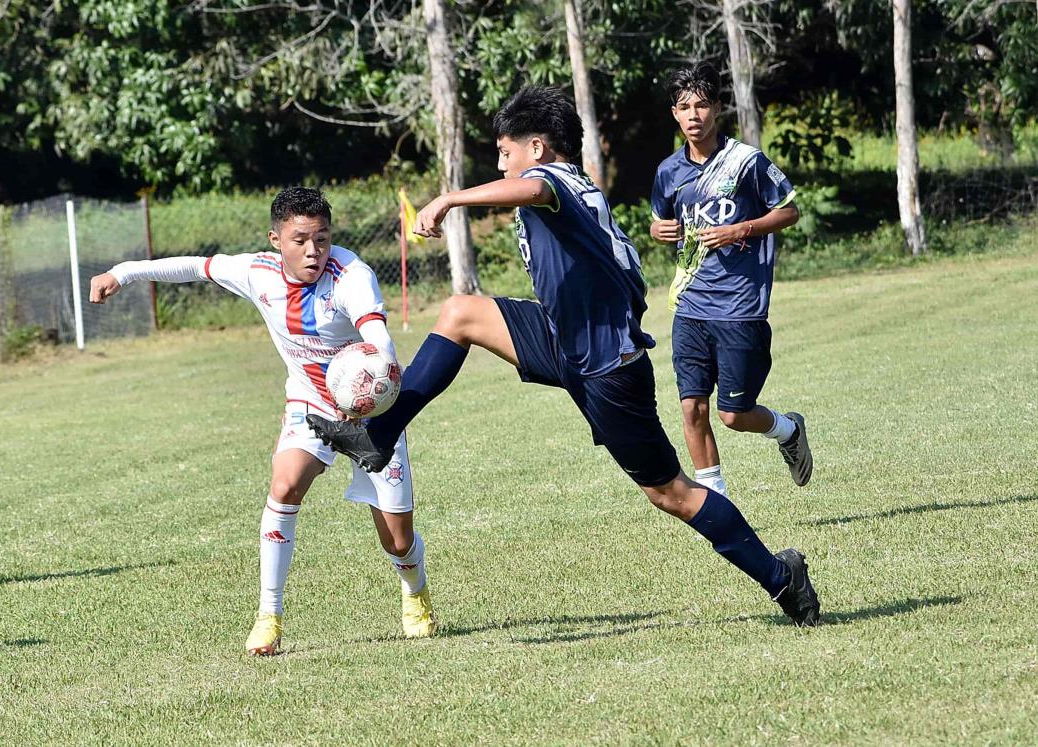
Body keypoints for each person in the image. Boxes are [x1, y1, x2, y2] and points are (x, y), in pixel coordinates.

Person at [310, 86, 820, 626]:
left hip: (607, 368)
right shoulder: (564, 184)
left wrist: (449, 199)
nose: (501, 163)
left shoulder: (554, 181)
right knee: (459, 313)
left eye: (505, 152)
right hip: (564, 339)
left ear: (536, 148)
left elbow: (532, 191)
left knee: (673, 494)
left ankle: (781, 578)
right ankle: (378, 436)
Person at [89, 186, 437, 655]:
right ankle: (268, 616)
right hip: (310, 405)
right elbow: (195, 266)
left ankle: (414, 591)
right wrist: (122, 272)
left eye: (322, 238)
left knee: (396, 540)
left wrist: (369, 381)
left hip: (374, 415)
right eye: (300, 240)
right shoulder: (257, 272)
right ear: (276, 240)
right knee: (284, 485)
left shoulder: (352, 275)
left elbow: (381, 343)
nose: (314, 251)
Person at [649, 63, 811, 499]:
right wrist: (657, 230)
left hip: (739, 306)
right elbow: (659, 221)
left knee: (733, 415)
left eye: (702, 105)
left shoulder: (745, 162)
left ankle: (788, 429)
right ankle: (715, 504)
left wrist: (741, 229)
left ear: (718, 109)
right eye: (684, 107)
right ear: (674, 115)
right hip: (690, 304)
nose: (694, 115)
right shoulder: (668, 171)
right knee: (691, 408)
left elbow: (790, 211)